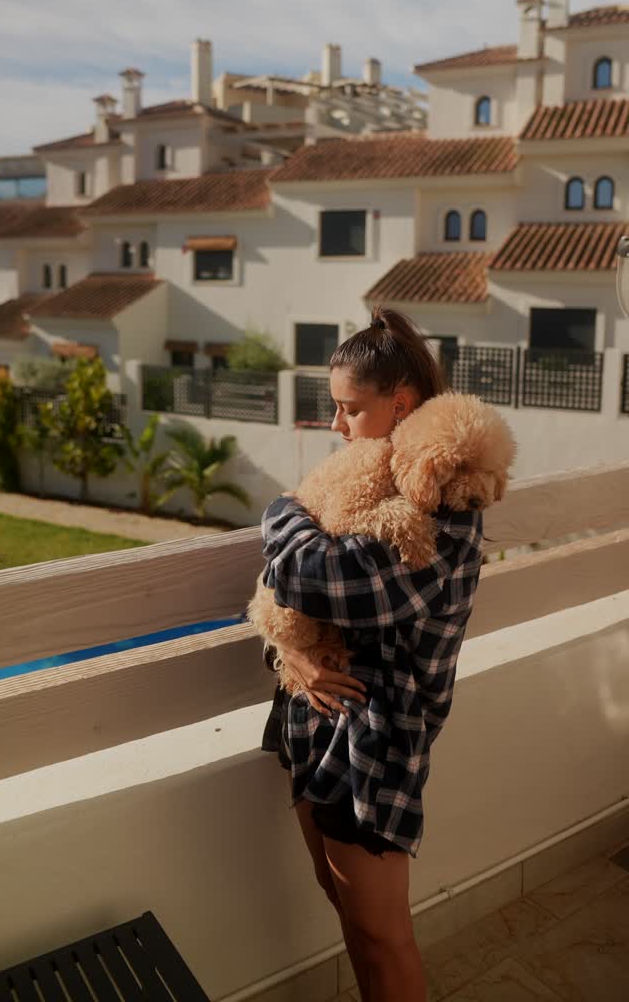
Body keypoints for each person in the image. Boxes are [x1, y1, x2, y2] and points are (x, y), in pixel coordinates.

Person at [259, 308, 484, 1002]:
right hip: (314, 715)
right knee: (346, 908)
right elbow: (283, 592)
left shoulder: (446, 507)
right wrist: (287, 651)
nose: (337, 426)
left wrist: (280, 512)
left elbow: (313, 576)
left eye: (350, 409)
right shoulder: (367, 482)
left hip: (377, 741)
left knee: (384, 934)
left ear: (401, 405)